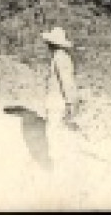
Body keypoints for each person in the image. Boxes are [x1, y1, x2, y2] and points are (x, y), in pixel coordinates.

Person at [42, 27, 80, 168]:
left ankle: (58, 167)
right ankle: (59, 165)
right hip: (56, 99)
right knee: (55, 132)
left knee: (54, 133)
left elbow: (67, 82)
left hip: (57, 100)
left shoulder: (60, 58)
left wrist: (70, 102)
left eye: (49, 43)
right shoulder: (58, 57)